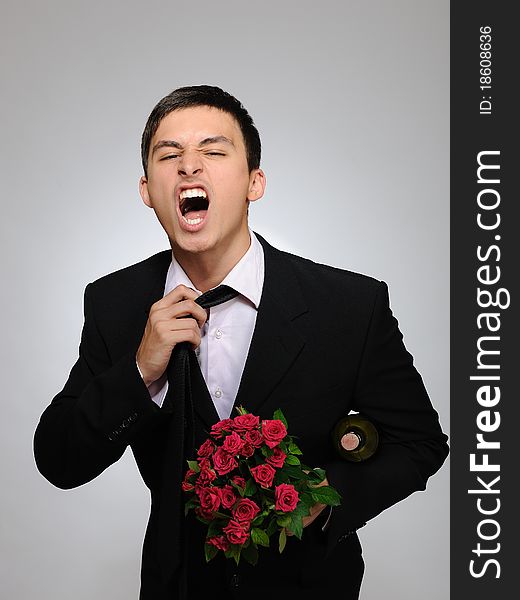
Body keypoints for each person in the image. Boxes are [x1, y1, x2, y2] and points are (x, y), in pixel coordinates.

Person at [34, 85, 449, 599]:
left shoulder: (350, 304)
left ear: (255, 182)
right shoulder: (114, 304)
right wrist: (138, 373)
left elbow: (420, 442)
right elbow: (58, 459)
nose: (189, 167)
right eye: (170, 156)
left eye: (213, 151)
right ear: (146, 189)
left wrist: (325, 502)